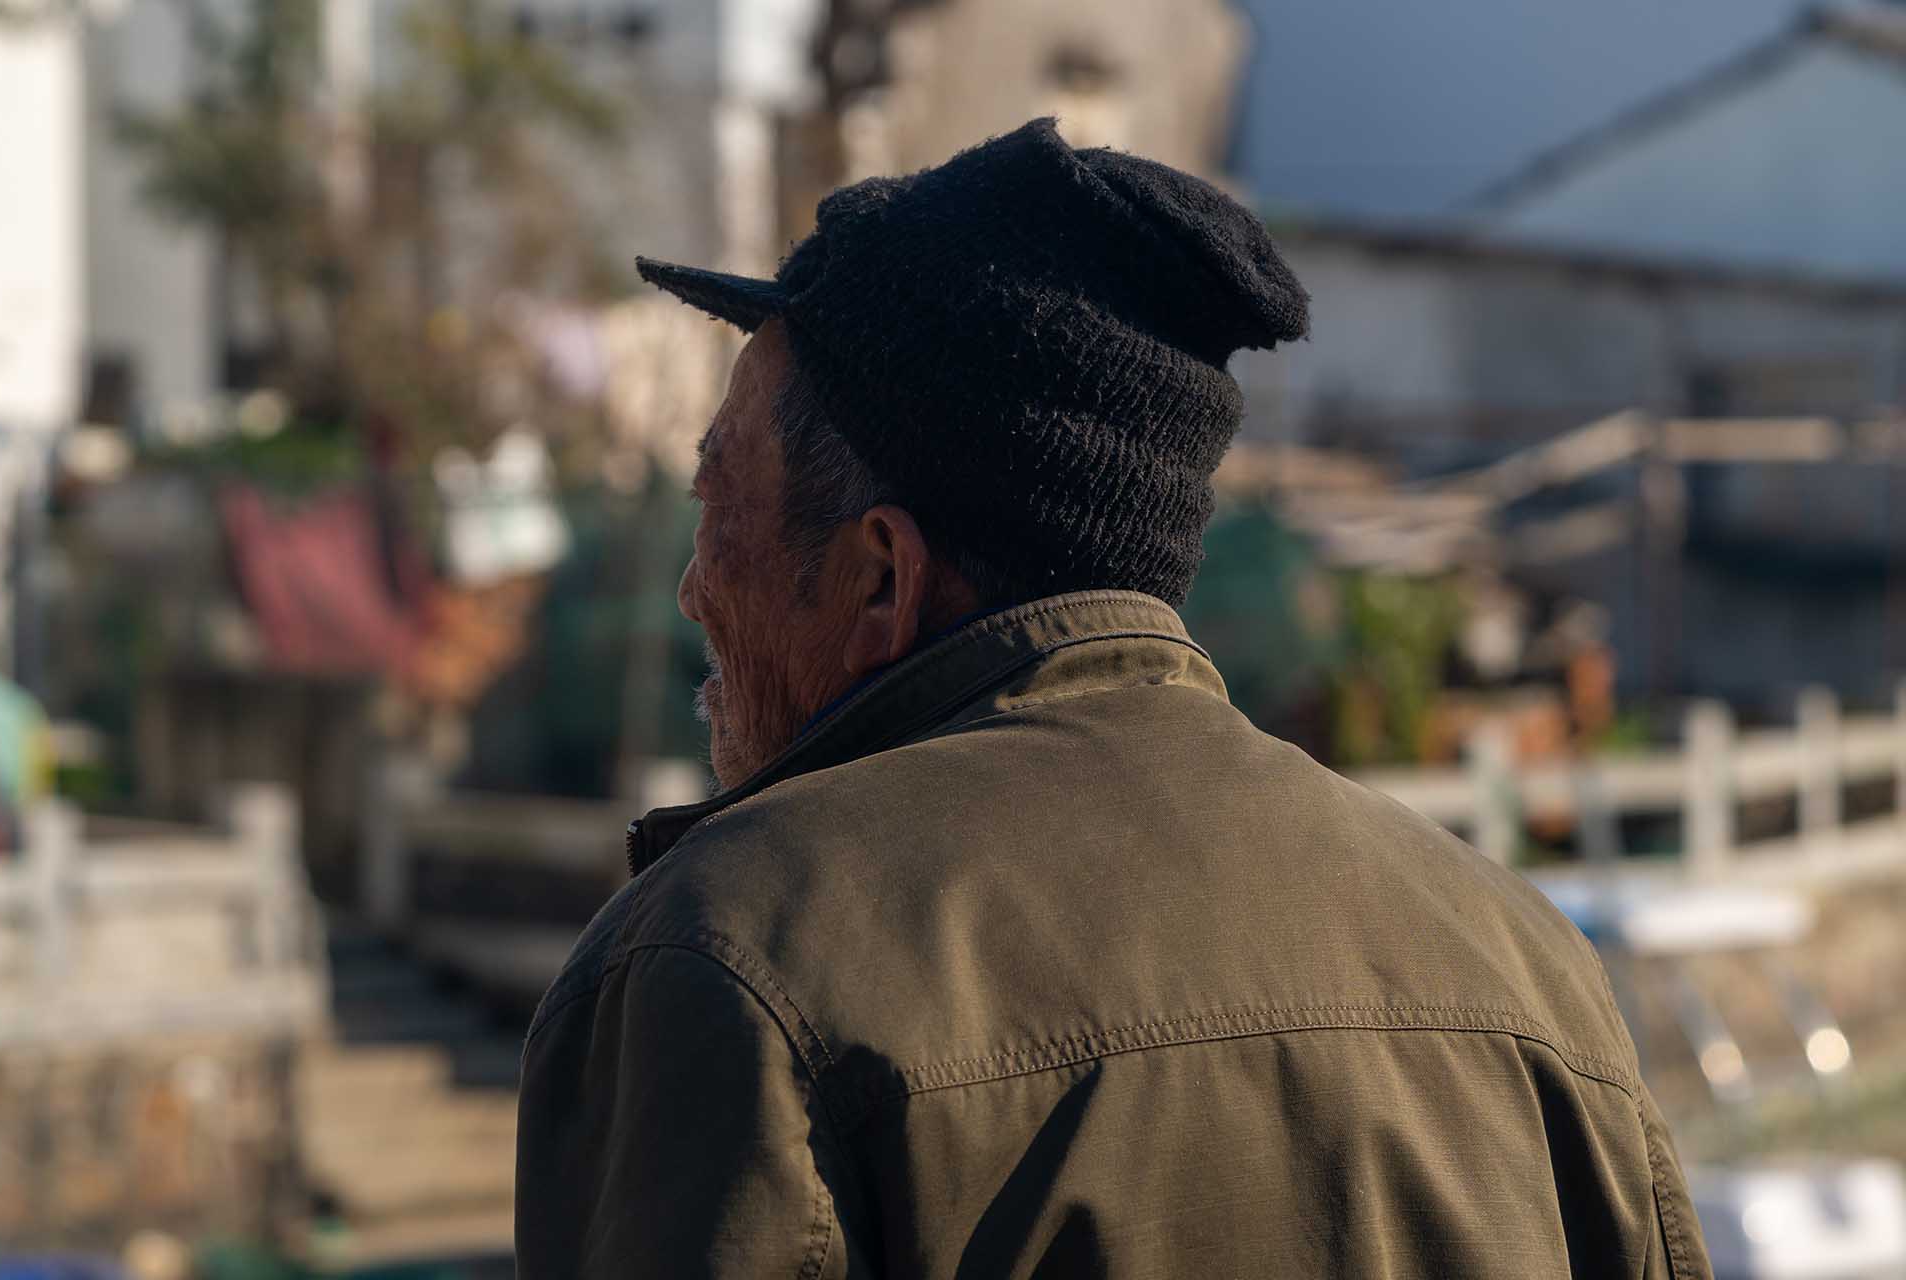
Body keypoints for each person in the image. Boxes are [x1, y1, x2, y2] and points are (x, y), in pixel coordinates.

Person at [515, 119, 1711, 1278]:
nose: (687, 588)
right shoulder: (1525, 967)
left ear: (882, 574)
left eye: (715, 502)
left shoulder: (735, 963)